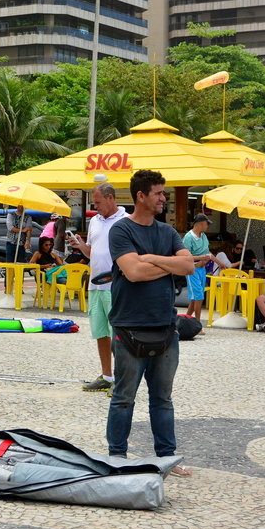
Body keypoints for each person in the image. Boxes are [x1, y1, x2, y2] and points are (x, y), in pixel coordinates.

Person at [106, 169, 195, 476]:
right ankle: (116, 457)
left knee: (163, 399)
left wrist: (150, 258)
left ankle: (167, 458)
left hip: (166, 327)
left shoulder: (167, 232)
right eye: (158, 193)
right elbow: (133, 273)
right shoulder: (120, 231)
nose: (163, 198)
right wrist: (165, 263)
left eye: (163, 192)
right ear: (140, 196)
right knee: (123, 397)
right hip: (129, 326)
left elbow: (188, 265)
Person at [67, 182, 127, 393]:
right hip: (95, 285)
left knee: (118, 333)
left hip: (116, 286)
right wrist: (81, 246)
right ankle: (107, 375)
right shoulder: (94, 221)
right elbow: (92, 252)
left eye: (98, 202)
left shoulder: (126, 221)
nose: (96, 206)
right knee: (101, 331)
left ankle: (121, 379)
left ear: (111, 198)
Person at [182, 214, 212, 322]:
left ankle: (185, 321)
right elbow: (184, 256)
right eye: (207, 224)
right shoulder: (188, 237)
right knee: (199, 296)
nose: (207, 226)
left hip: (202, 269)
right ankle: (197, 323)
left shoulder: (203, 236)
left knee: (196, 297)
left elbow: (207, 252)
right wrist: (200, 258)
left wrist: (220, 262)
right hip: (193, 269)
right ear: (201, 223)